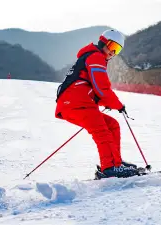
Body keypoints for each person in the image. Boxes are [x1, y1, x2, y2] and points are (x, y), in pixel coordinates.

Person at [55, 29, 138, 178]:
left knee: (112, 125)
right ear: (103, 42)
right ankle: (109, 167)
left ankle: (116, 162)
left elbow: (90, 86)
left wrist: (103, 102)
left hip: (77, 103)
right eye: (112, 46)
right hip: (75, 103)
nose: (113, 52)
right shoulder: (96, 56)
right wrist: (117, 104)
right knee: (102, 131)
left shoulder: (93, 57)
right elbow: (101, 87)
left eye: (117, 50)